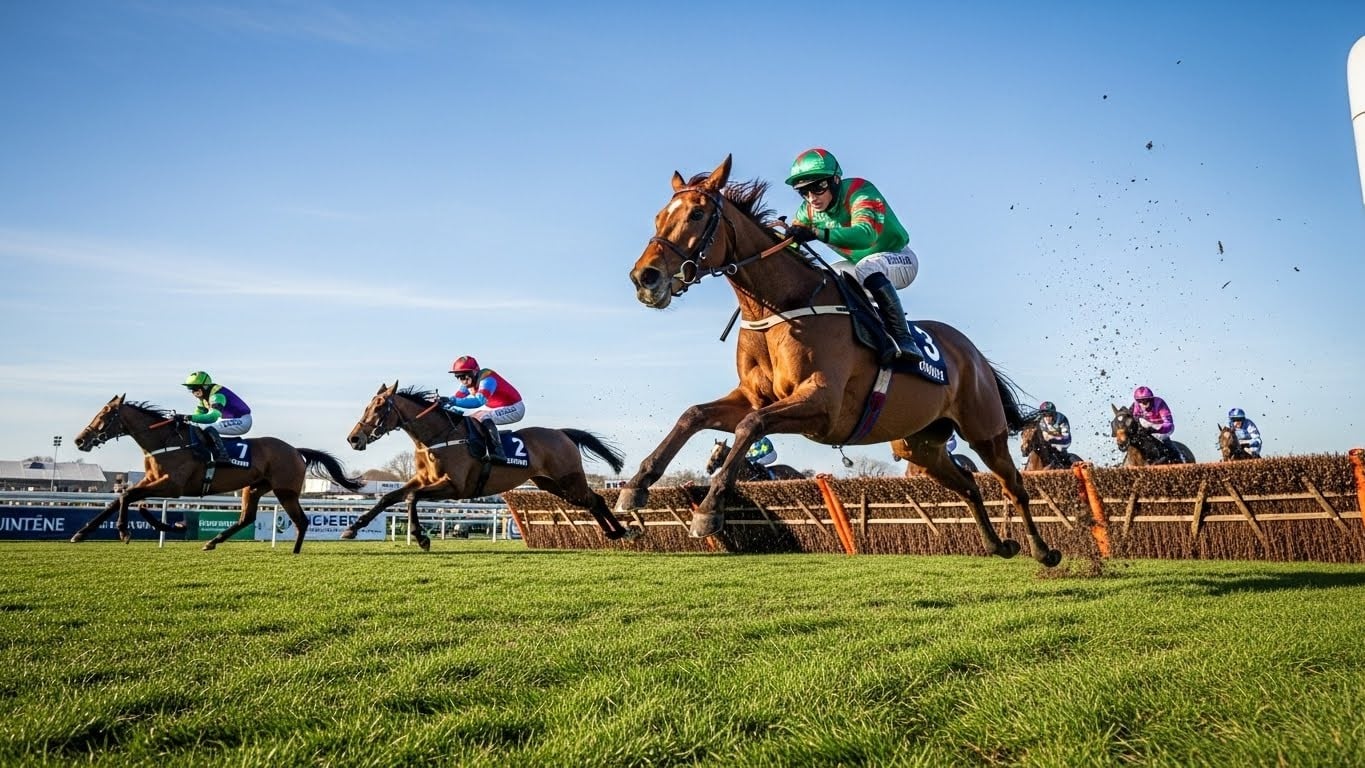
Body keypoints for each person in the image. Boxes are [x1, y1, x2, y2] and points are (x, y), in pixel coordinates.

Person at [783, 147, 922, 365]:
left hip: (899, 258)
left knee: (867, 267)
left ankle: (904, 339)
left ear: (836, 180)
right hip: (857, 264)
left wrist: (816, 232)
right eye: (804, 192)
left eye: (818, 187)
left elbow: (866, 235)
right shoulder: (807, 211)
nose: (812, 198)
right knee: (825, 278)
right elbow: (791, 246)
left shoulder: (860, 191)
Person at [439, 356, 525, 462]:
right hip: (497, 408)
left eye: (464, 376)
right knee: (471, 418)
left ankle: (497, 452)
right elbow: (456, 397)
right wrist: (442, 403)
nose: (462, 380)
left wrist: (452, 401)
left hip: (515, 408)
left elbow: (478, 401)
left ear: (474, 372)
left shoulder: (488, 380)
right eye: (458, 377)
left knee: (484, 416)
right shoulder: (468, 382)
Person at [177, 371, 252, 463]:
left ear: (205, 386)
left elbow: (213, 417)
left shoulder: (217, 396)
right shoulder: (204, 399)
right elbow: (196, 417)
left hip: (243, 421)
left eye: (195, 388)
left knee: (208, 426)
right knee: (196, 424)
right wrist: (183, 419)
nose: (193, 392)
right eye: (190, 389)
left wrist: (187, 417)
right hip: (233, 419)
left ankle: (224, 456)